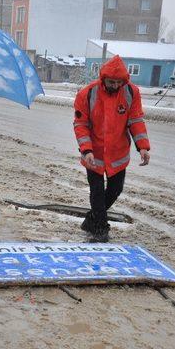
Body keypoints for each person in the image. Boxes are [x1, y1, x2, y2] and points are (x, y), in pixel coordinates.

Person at [74, 55, 150, 242]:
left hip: (118, 154)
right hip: (94, 154)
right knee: (97, 191)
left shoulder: (131, 92)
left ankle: (91, 219)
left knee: (115, 189)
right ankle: (100, 228)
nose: (115, 85)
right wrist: (86, 150)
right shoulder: (87, 94)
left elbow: (136, 120)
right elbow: (80, 124)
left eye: (118, 82)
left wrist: (143, 146)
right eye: (111, 82)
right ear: (103, 79)